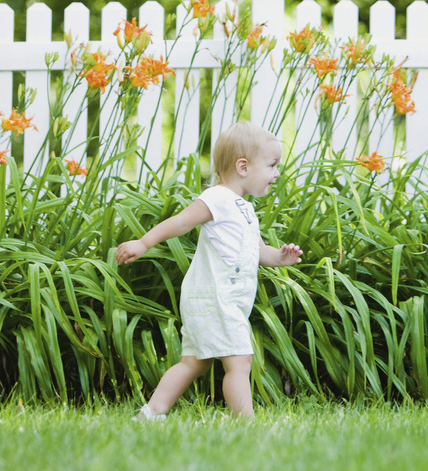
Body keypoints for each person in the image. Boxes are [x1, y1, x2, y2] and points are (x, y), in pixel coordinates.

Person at [115, 121, 303, 420]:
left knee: (194, 361)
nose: (276, 173)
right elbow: (181, 222)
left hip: (217, 299)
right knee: (239, 361)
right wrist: (143, 242)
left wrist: (281, 258)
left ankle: (152, 413)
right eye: (271, 165)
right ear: (243, 166)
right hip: (217, 298)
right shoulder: (218, 198)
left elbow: (256, 252)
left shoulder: (245, 208)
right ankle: (246, 424)